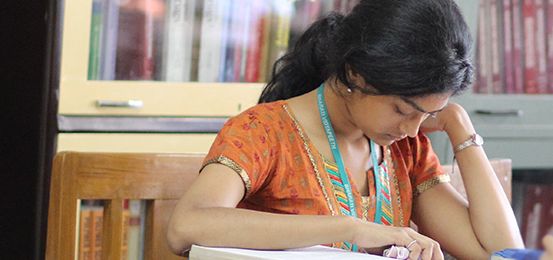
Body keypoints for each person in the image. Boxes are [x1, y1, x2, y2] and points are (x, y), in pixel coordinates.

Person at [166, 0, 523, 259]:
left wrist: (460, 128)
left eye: (428, 113)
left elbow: (502, 254)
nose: (413, 129)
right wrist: (348, 227)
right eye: (402, 109)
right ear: (355, 73)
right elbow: (186, 227)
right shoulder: (263, 131)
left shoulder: (403, 150)